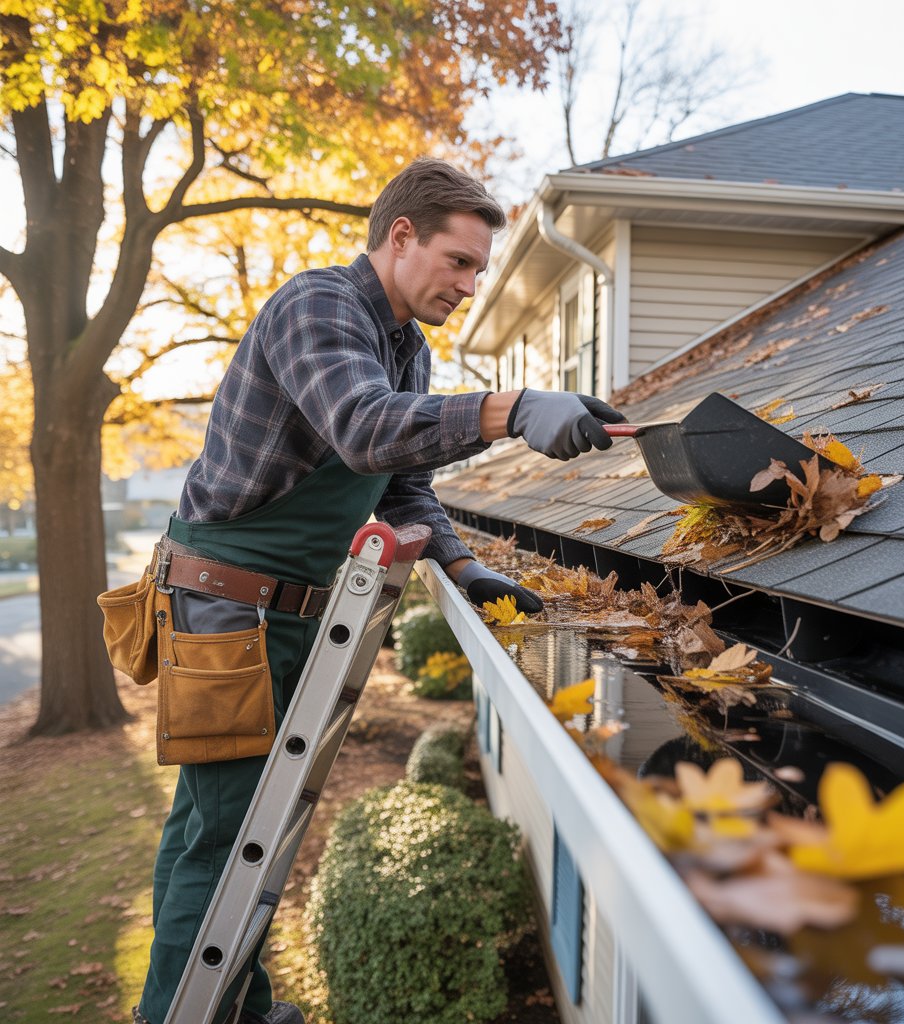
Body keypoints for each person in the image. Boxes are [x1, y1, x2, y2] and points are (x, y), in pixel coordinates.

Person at [133, 157, 625, 1024]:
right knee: (226, 836)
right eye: (459, 262)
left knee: (217, 827)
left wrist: (465, 569)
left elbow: (403, 486)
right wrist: (511, 409)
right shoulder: (318, 306)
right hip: (226, 605)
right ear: (401, 236)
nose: (469, 285)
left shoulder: (408, 348)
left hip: (288, 608)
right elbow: (364, 429)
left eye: (477, 269)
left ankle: (232, 1003)